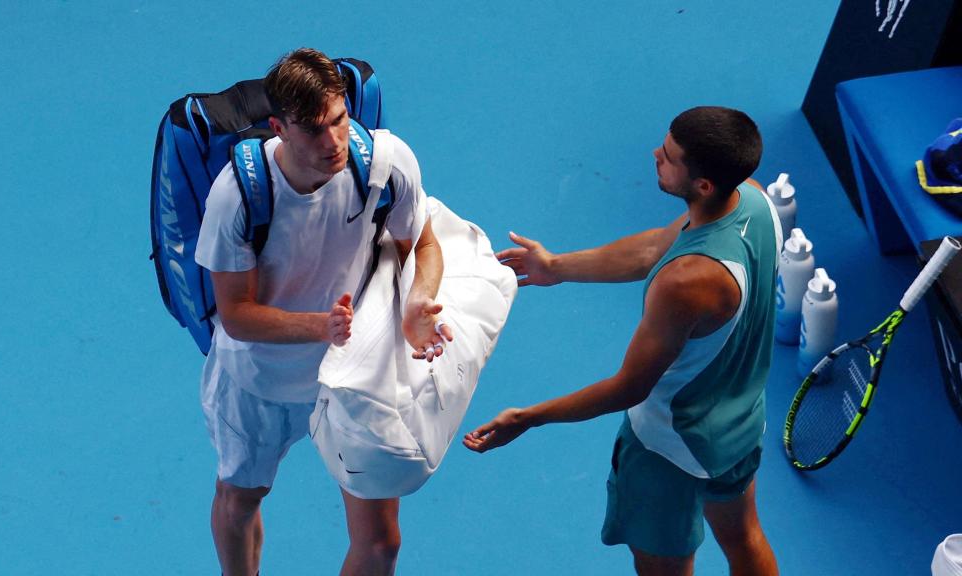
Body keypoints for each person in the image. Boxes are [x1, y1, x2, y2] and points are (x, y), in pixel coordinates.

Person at [464, 106, 780, 576]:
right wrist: (556, 267)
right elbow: (656, 245)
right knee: (744, 538)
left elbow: (629, 388)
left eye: (670, 156)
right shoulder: (754, 200)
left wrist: (529, 418)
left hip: (668, 448)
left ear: (703, 185)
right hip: (738, 428)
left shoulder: (686, 282)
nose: (656, 154)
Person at [195, 48, 452, 576]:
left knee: (381, 545)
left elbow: (421, 246)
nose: (333, 141)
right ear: (278, 128)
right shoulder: (237, 198)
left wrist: (419, 302)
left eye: (339, 120)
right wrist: (321, 326)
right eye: (313, 129)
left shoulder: (384, 161)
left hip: (352, 379)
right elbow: (237, 316)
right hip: (259, 382)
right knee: (241, 502)